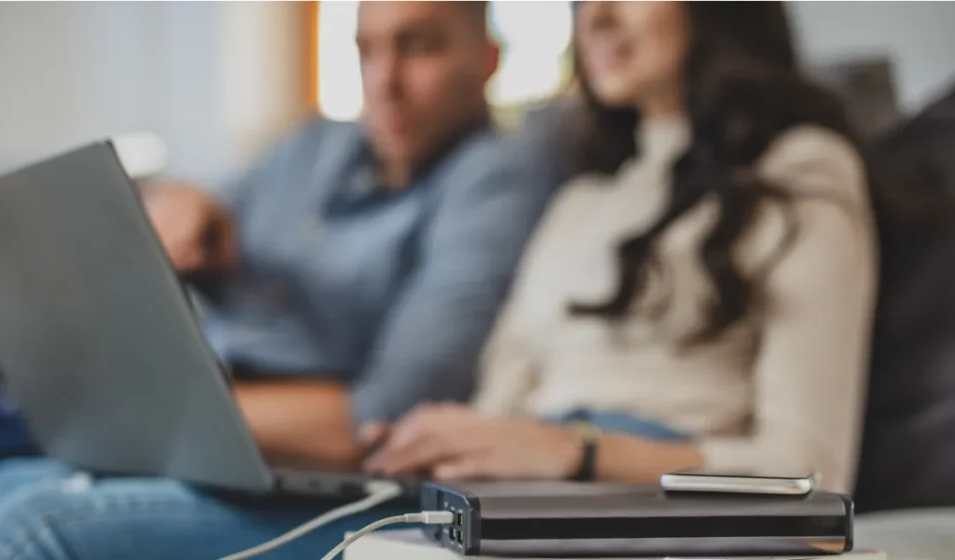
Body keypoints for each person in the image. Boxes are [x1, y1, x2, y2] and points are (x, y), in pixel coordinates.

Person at [0, 3, 560, 560]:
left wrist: (152, 412)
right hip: (208, 431)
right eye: (366, 51)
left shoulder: (493, 180)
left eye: (420, 49)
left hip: (334, 484)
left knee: (38, 523)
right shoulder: (314, 147)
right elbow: (210, 209)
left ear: (487, 58)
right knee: (8, 481)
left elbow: (388, 413)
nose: (384, 80)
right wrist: (191, 211)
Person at [365, 1, 878, 495]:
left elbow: (811, 473)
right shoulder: (580, 201)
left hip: (644, 501)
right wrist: (444, 448)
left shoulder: (803, 169)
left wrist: (576, 453)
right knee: (305, 524)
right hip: (525, 495)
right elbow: (501, 405)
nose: (598, 16)